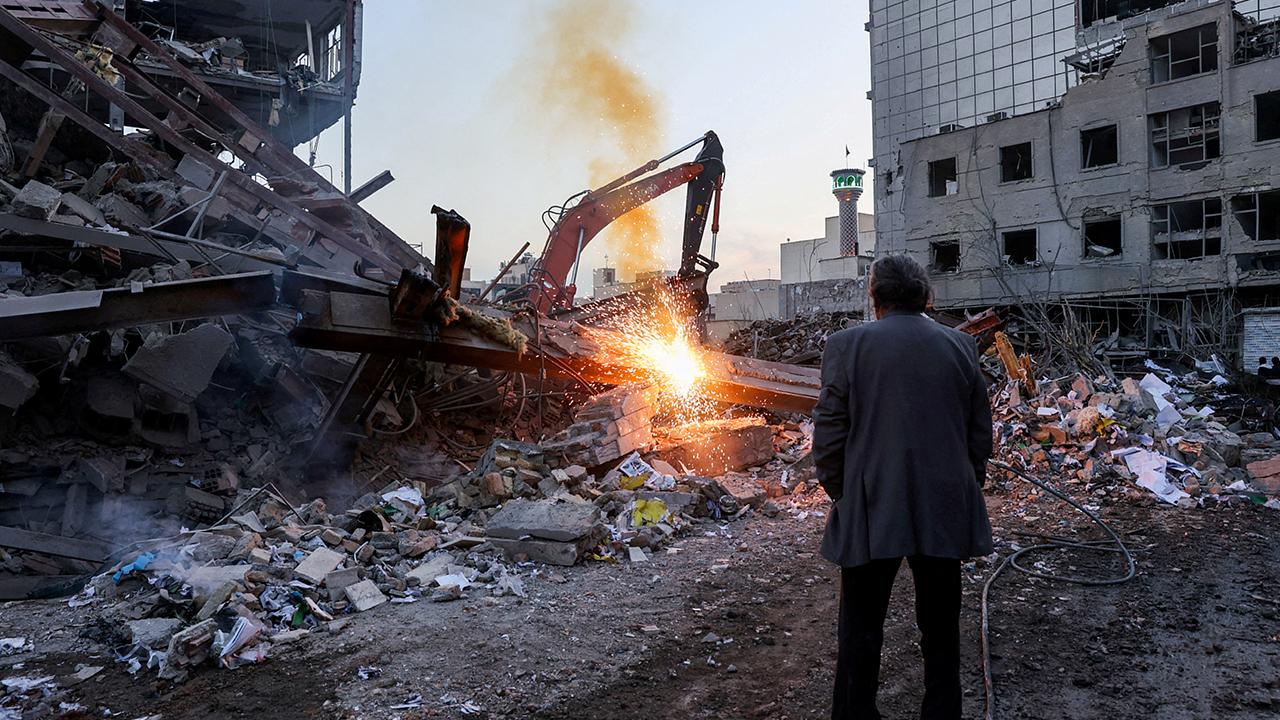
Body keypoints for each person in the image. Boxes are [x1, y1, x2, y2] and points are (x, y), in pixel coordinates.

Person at [814, 255, 994, 720]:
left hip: (872, 504)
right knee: (941, 627)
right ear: (926, 296)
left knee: (860, 627)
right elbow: (980, 432)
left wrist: (844, 493)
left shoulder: (846, 346)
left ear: (873, 295)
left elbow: (829, 435)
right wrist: (965, 486)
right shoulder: (961, 346)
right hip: (943, 504)